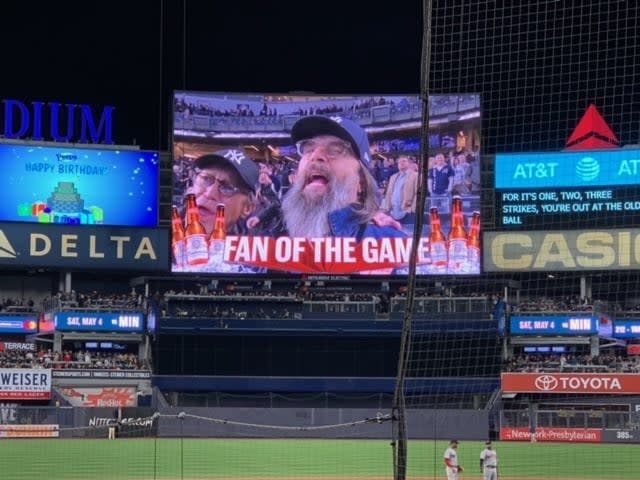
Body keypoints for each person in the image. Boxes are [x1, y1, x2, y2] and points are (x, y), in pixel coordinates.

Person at [281, 115, 406, 240]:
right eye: (308, 149)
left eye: (335, 150)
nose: (315, 156)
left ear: (361, 182)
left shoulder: (391, 247)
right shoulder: (270, 234)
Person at [187, 148, 259, 236]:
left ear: (247, 208)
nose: (210, 194)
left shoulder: (250, 248)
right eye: (205, 179)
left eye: (227, 188)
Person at [382, 154, 418, 230]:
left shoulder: (416, 176)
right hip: (393, 212)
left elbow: (418, 193)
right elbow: (388, 193)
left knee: (408, 235)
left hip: (408, 212)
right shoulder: (393, 177)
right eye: (399, 162)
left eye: (404, 161)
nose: (401, 163)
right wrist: (387, 208)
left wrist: (412, 209)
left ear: (409, 163)